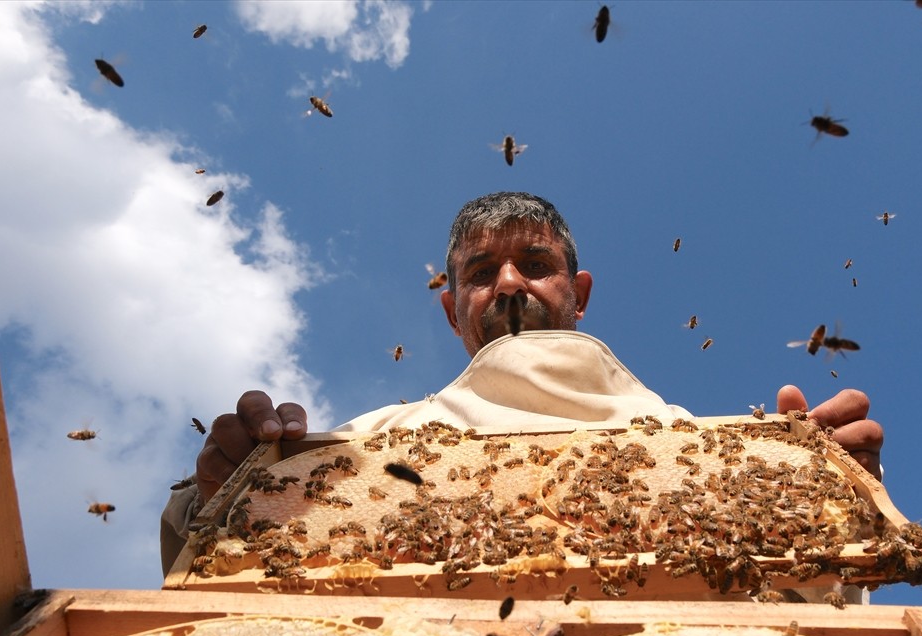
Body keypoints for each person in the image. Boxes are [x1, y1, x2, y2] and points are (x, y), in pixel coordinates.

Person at [161, 192, 884, 582]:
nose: (509, 283)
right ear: (450, 310)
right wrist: (223, 484)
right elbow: (206, 555)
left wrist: (837, 492)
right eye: (480, 273)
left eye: (535, 263)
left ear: (580, 291)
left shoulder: (697, 446)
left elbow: (814, 602)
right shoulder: (374, 440)